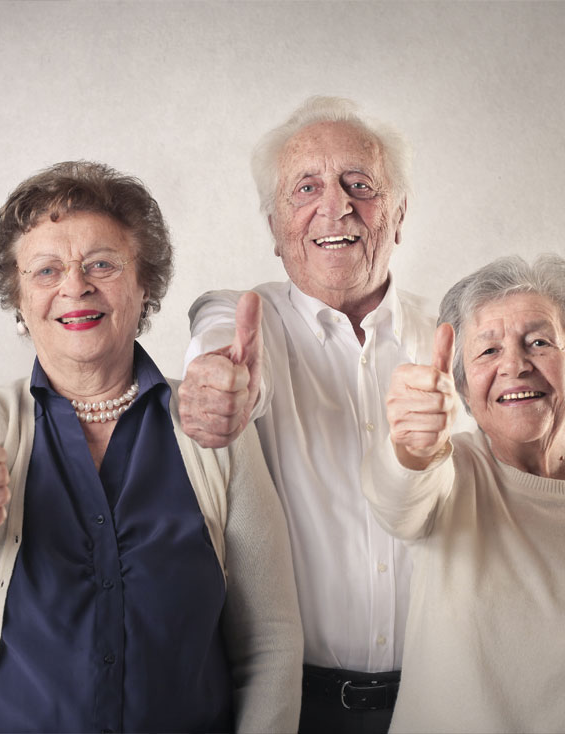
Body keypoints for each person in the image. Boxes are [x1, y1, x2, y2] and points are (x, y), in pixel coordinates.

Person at [0, 161, 302, 734]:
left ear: (144, 286)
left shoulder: (212, 430)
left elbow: (271, 640)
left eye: (102, 265)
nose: (75, 286)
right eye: (45, 270)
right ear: (19, 302)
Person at [180, 96, 467, 733]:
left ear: (397, 215)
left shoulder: (456, 340)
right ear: (276, 226)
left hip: (444, 703)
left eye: (359, 186)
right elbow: (218, 346)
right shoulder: (246, 321)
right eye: (306, 187)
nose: (335, 206)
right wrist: (216, 390)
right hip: (292, 706)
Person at [366, 253, 565, 731]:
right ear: (462, 389)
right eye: (487, 351)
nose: (515, 366)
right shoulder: (450, 472)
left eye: (539, 342)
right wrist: (411, 447)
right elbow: (396, 497)